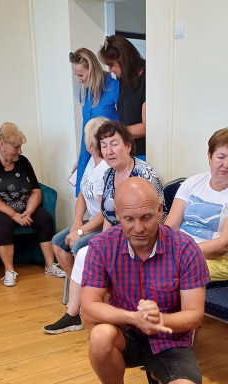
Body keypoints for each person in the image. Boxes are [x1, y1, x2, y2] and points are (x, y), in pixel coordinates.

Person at [81, 178, 209, 384]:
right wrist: (132, 318)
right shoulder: (101, 246)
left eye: (147, 217)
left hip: (169, 338)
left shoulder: (186, 249)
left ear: (161, 209)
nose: (138, 228)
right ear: (116, 214)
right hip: (126, 334)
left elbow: (195, 316)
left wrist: (159, 319)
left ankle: (155, 375)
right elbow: (88, 309)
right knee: (100, 336)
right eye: (128, 219)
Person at [44, 122, 162, 337]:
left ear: (128, 145)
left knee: (84, 253)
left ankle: (82, 312)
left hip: (142, 236)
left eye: (114, 144)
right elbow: (108, 216)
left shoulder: (143, 174)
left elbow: (156, 218)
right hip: (118, 235)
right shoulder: (110, 175)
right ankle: (78, 313)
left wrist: (112, 241)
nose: (109, 150)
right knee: (88, 252)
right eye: (104, 145)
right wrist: (103, 242)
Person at [165, 127, 228, 282]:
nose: (226, 164)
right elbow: (170, 226)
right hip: (179, 251)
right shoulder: (192, 183)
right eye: (220, 157)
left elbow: (224, 245)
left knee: (167, 273)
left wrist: (181, 253)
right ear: (209, 157)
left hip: (220, 260)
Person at [43, 117, 109, 334]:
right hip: (90, 222)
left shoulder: (107, 168)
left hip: (102, 224)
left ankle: (85, 299)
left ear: (91, 141)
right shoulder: (90, 162)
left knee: (77, 245)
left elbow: (104, 212)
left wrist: (81, 232)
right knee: (57, 243)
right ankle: (78, 293)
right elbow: (81, 194)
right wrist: (75, 224)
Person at [0, 122, 61, 287]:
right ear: (2, 144)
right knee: (4, 222)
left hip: (21, 206)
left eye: (20, 147)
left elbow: (36, 190)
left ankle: (50, 265)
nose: (20, 151)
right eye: (16, 147)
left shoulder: (23, 162)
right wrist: (13, 215)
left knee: (44, 218)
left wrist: (28, 211)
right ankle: (9, 271)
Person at [69, 48, 118, 195]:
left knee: (105, 200)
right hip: (88, 154)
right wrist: (80, 157)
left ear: (93, 69)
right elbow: (86, 128)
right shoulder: (85, 92)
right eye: (76, 75)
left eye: (81, 75)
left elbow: (122, 126)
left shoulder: (114, 88)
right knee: (85, 197)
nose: (79, 80)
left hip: (107, 155)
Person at [98, 36, 146, 157]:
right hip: (127, 152)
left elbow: (145, 128)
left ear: (123, 60)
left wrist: (115, 132)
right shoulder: (123, 79)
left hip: (143, 153)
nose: (109, 70)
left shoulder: (147, 79)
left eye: (111, 65)